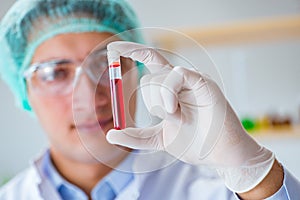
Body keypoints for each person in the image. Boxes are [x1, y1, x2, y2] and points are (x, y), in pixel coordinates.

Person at [0, 0, 299, 199]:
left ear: (138, 70)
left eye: (108, 65)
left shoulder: (210, 190)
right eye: (55, 73)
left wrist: (253, 174)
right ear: (24, 91)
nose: (89, 98)